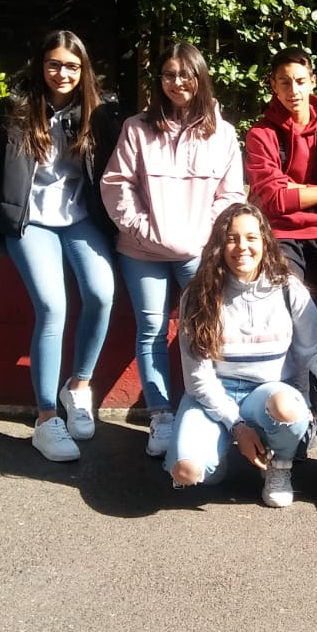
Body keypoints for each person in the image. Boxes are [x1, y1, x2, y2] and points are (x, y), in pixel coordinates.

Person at [0, 30, 120, 462]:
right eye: (54, 64)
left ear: (84, 70)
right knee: (52, 306)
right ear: (40, 65)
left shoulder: (99, 112)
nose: (62, 73)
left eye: (72, 66)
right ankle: (45, 417)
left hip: (79, 217)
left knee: (101, 293)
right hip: (29, 219)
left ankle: (78, 386)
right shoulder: (16, 110)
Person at [101, 42, 245, 457]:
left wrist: (202, 235)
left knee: (205, 325)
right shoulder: (137, 128)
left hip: (197, 250)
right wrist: (143, 229)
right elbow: (117, 185)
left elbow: (231, 195)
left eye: (185, 74)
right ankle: (161, 415)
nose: (177, 82)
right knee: (150, 329)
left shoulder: (223, 133)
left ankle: (206, 407)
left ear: (201, 78)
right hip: (140, 250)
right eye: (168, 74)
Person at [167, 203, 317, 508]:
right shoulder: (198, 294)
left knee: (287, 408)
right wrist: (237, 426)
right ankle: (216, 457)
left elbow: (315, 348)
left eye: (251, 238)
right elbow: (198, 379)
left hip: (270, 393)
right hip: (217, 392)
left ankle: (279, 466)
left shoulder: (287, 288)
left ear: (265, 242)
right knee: (188, 473)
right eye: (232, 239)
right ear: (219, 245)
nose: (243, 247)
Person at [243, 46, 317, 433]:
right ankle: (301, 399)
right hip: (279, 233)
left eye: (299, 81)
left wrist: (300, 190)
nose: (293, 90)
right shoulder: (260, 135)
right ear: (272, 86)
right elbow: (274, 199)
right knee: (287, 302)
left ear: (313, 82)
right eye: (284, 82)